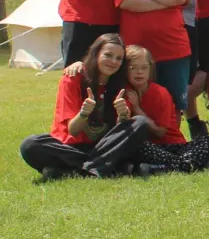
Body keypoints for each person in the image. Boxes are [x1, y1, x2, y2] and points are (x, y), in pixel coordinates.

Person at [19, 33, 155, 180]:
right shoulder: (73, 78)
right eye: (108, 55)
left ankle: (73, 172)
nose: (113, 62)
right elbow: (73, 130)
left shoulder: (121, 85)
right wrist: (84, 113)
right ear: (96, 54)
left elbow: (119, 134)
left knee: (139, 123)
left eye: (119, 58)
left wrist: (123, 115)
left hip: (104, 147)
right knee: (31, 144)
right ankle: (106, 168)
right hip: (69, 148)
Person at [113, 0, 192, 114]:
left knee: (173, 106)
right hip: (137, 54)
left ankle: (173, 142)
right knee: (136, 102)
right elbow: (127, 2)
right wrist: (167, 2)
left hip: (174, 50)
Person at [121, 45, 209, 175]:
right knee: (136, 147)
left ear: (150, 69)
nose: (139, 72)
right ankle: (189, 165)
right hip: (150, 147)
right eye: (133, 68)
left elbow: (160, 132)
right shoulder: (125, 93)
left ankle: (168, 167)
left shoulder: (160, 93)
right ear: (125, 70)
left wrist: (137, 109)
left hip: (174, 145)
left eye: (144, 67)